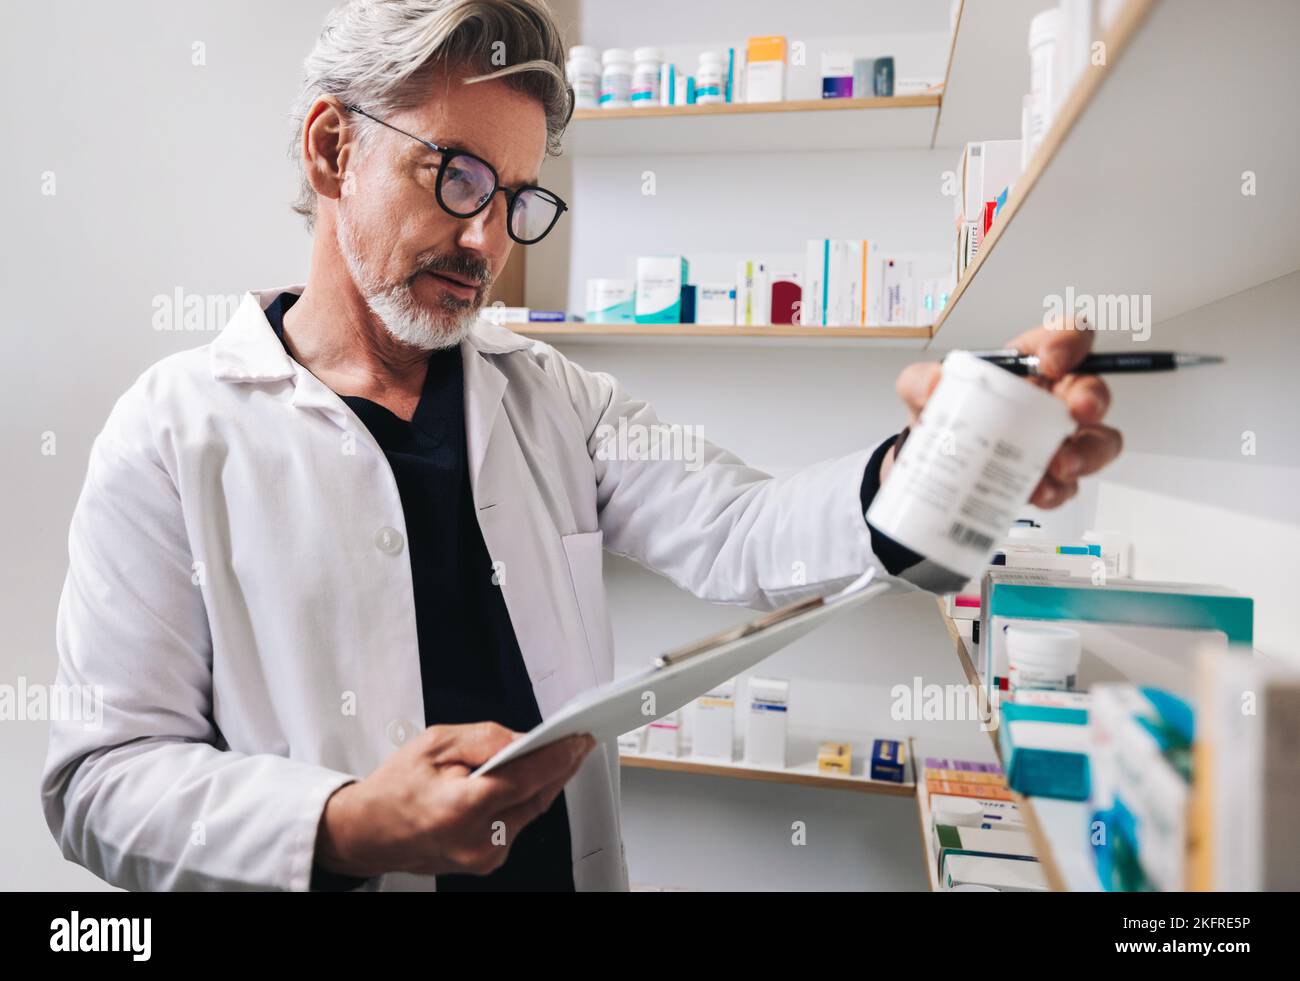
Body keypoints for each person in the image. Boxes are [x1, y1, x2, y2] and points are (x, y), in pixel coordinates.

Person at [41, 0, 1122, 892]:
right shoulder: (172, 432)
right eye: (456, 176)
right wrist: (347, 822)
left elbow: (741, 532)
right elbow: (99, 781)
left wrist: (936, 465)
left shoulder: (547, 395)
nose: (487, 242)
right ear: (335, 148)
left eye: (516, 200)